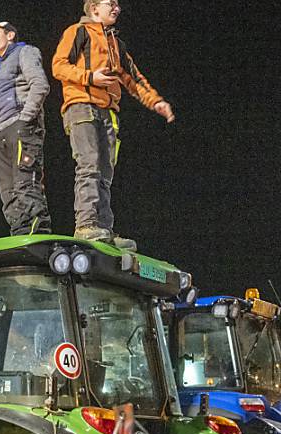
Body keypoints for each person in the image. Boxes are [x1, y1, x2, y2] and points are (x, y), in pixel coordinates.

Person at [52, 0, 175, 249]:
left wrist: (156, 102)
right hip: (82, 106)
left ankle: (104, 228)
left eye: (118, 5)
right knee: (89, 166)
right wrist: (90, 77)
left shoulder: (115, 43)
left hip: (108, 112)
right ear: (94, 8)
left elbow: (133, 78)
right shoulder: (78, 31)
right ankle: (85, 225)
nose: (117, 8)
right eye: (111, 3)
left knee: (105, 173)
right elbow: (58, 65)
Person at [0, 20, 52, 236]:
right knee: (8, 191)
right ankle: (20, 232)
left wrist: (25, 118)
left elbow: (40, 84)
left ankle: (37, 231)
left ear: (10, 35)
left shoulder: (25, 52)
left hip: (21, 127)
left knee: (26, 182)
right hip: (1, 131)